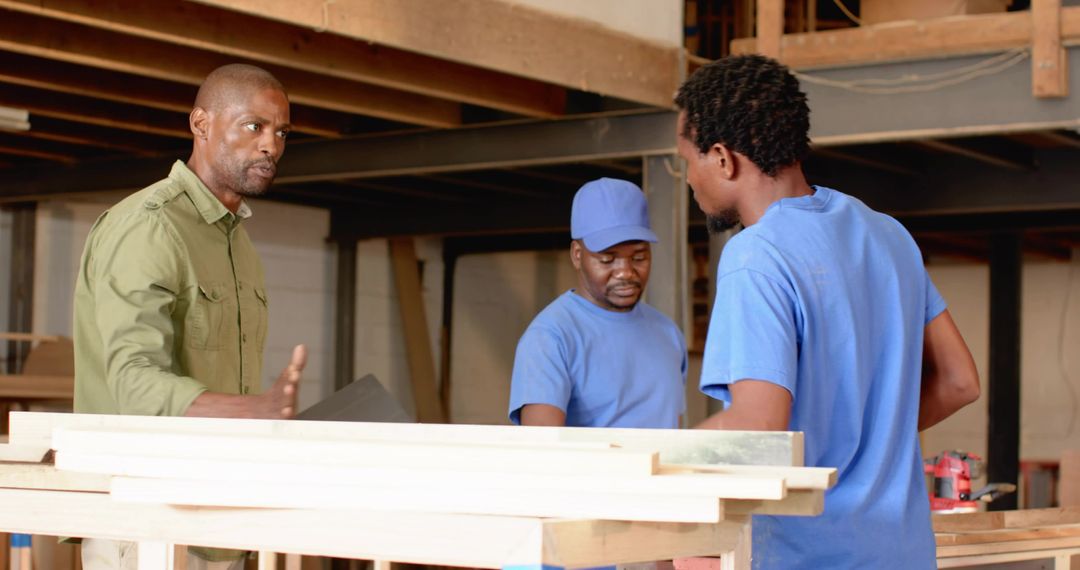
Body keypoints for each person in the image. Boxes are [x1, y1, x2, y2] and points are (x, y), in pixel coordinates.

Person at [675, 55, 980, 569]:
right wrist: (870, 441)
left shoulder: (756, 255)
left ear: (724, 159)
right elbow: (959, 382)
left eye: (687, 160)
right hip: (903, 554)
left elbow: (758, 424)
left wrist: (654, 460)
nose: (687, 178)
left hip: (813, 556)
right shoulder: (888, 235)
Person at [72, 63, 306, 570]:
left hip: (218, 518)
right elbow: (133, 384)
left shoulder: (238, 243)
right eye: (254, 126)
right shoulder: (148, 228)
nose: (271, 145)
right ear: (201, 123)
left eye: (281, 131)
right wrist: (254, 410)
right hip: (148, 521)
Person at [507, 178, 686, 428]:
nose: (625, 272)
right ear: (577, 255)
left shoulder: (668, 333)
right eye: (607, 259)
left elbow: (673, 429)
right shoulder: (550, 338)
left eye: (639, 257)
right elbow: (543, 452)